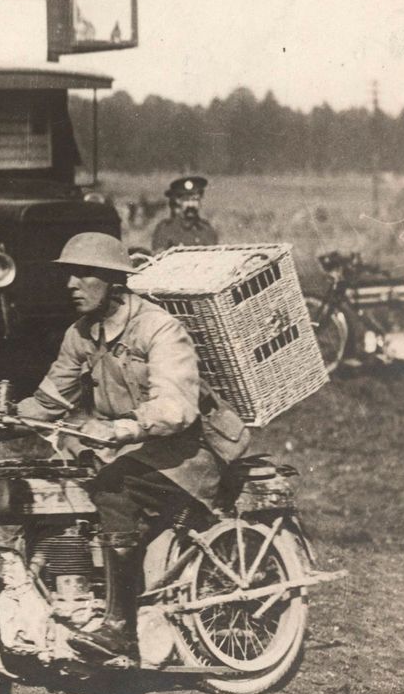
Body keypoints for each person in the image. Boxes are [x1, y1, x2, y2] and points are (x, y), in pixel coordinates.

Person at [17, 231, 246, 663]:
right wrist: (0, 417)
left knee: (112, 491)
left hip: (189, 453)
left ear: (113, 282)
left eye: (85, 275)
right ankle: (68, 595)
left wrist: (124, 428)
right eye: (69, 275)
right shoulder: (80, 334)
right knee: (56, 479)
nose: (72, 284)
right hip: (137, 451)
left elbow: (177, 406)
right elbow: (49, 402)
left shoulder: (159, 328)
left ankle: (120, 628)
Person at [151, 176, 219, 252]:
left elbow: (214, 258)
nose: (191, 204)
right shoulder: (165, 229)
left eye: (195, 199)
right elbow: (159, 259)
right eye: (186, 200)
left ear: (200, 202)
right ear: (178, 201)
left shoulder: (207, 230)